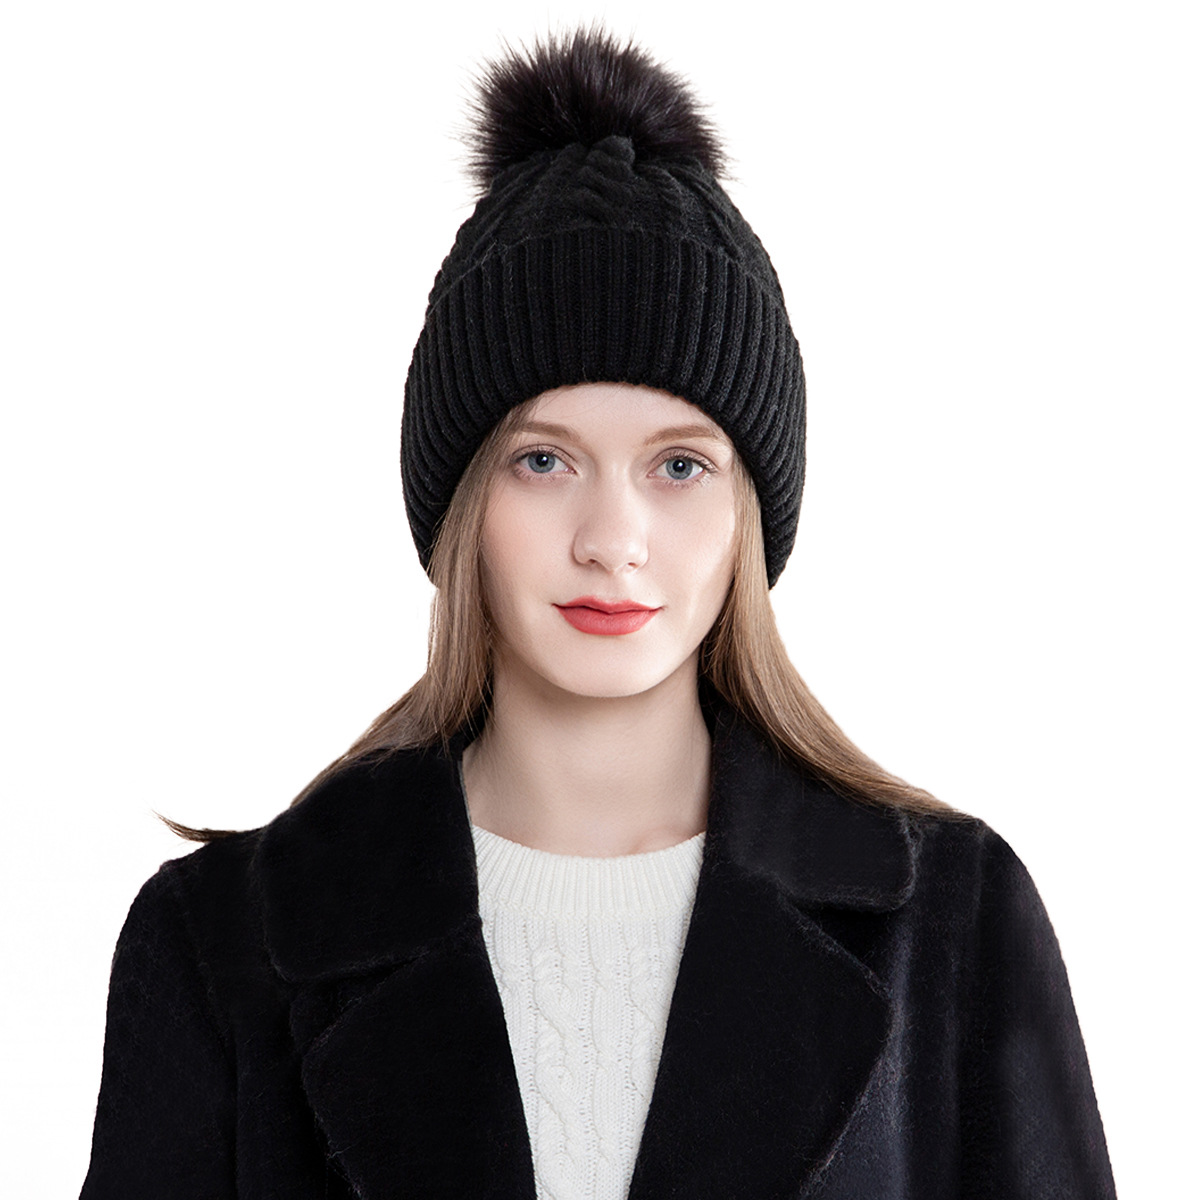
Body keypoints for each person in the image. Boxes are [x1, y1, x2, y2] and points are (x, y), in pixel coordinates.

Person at [79, 27, 1118, 1200]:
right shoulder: (223, 944)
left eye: (680, 466)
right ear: (463, 503)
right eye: (543, 461)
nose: (612, 538)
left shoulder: (955, 929)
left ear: (750, 513)